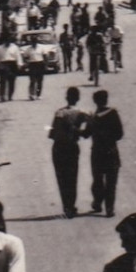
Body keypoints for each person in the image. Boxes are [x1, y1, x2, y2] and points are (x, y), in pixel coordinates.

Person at [47, 87, 91, 218]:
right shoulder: (82, 112)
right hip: (72, 147)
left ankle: (66, 206)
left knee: (61, 178)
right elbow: (91, 124)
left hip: (58, 147)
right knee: (72, 177)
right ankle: (71, 206)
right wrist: (82, 133)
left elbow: (52, 133)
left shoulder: (59, 113)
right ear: (78, 98)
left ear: (66, 97)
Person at [87, 89, 124, 218]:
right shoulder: (113, 113)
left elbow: (86, 134)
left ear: (95, 102)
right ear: (106, 100)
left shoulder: (92, 116)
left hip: (97, 153)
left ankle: (97, 203)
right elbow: (119, 134)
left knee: (97, 180)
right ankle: (109, 208)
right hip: (111, 152)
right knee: (111, 182)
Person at [0, 36, 21, 102]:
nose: (7, 42)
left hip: (12, 64)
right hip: (3, 64)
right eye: (6, 41)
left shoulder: (15, 47)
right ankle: (2, 95)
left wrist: (19, 64)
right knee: (3, 81)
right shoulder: (0, 48)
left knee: (12, 81)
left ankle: (10, 95)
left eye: (8, 41)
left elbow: (18, 56)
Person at [23, 35, 48, 100]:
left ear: (37, 41)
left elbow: (45, 56)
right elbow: (25, 57)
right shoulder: (28, 49)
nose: (34, 43)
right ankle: (32, 94)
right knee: (32, 80)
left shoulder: (41, 48)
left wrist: (45, 65)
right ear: (31, 42)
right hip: (32, 65)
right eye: (33, 41)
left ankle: (38, 94)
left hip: (40, 64)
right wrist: (26, 63)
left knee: (40, 80)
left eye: (35, 41)